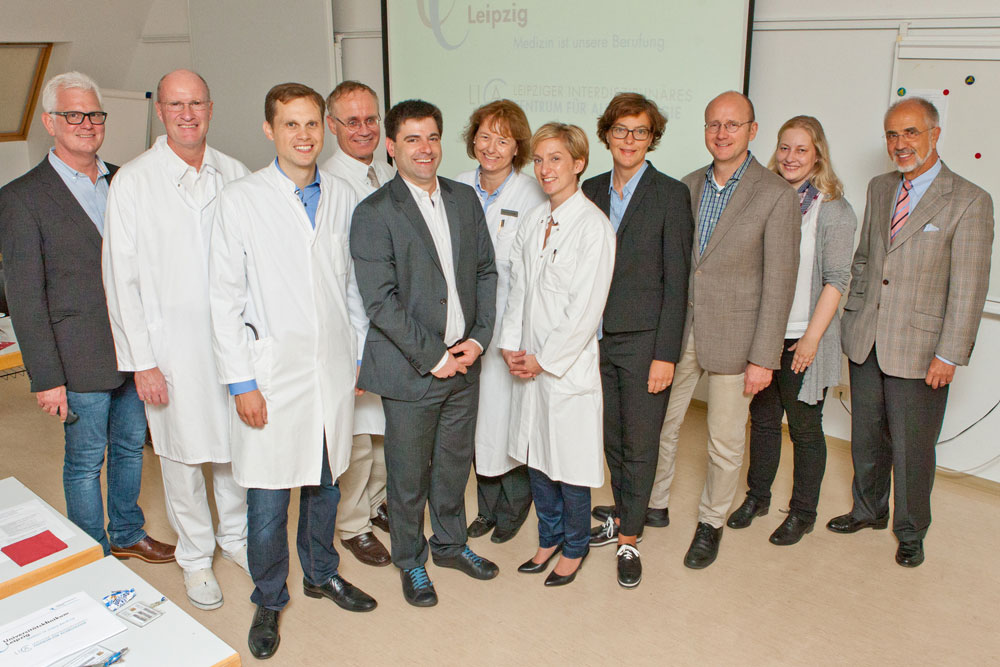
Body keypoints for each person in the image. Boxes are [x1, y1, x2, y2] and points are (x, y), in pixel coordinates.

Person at [209, 83, 376, 660]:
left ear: (323, 128)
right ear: (269, 130)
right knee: (268, 501)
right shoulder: (241, 200)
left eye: (311, 124)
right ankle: (268, 597)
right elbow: (223, 299)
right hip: (271, 375)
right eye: (290, 124)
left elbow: (350, 287)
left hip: (330, 370)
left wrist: (358, 353)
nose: (303, 136)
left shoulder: (342, 196)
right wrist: (242, 382)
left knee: (325, 483)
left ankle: (321, 573)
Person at [0, 72, 174, 564]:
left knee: (130, 448)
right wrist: (46, 378)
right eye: (73, 114)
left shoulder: (126, 180)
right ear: (49, 122)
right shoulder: (21, 198)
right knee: (84, 461)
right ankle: (91, 552)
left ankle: (127, 532)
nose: (86, 124)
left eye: (94, 114)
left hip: (135, 351)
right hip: (75, 357)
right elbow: (25, 297)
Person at [103, 69, 250, 611]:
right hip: (170, 351)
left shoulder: (235, 173)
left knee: (235, 449)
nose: (187, 114)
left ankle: (236, 538)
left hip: (230, 343)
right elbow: (121, 279)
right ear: (160, 111)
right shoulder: (134, 181)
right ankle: (195, 557)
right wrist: (142, 362)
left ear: (210, 108)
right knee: (182, 457)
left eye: (196, 103)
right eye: (176, 105)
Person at [831, 97, 993, 567]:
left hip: (921, 349)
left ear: (934, 135)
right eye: (892, 134)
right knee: (866, 437)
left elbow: (968, 288)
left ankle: (910, 530)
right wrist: (853, 315)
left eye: (911, 132)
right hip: (866, 339)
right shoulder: (881, 187)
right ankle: (868, 510)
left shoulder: (969, 199)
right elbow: (866, 259)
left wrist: (949, 354)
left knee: (912, 448)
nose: (900, 143)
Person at [350, 99, 499, 608]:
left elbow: (485, 272)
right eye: (412, 139)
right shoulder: (373, 213)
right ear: (391, 148)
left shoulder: (464, 198)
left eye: (432, 137)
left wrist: (477, 340)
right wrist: (436, 358)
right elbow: (380, 302)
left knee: (454, 467)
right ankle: (411, 560)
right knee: (408, 476)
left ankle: (451, 545)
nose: (425, 148)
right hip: (414, 369)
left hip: (466, 361)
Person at [648, 91, 801, 569]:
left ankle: (710, 523)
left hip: (739, 340)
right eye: (714, 123)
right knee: (661, 425)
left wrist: (764, 358)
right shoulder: (686, 185)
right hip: (680, 331)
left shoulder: (776, 194)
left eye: (732, 124)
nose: (721, 133)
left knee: (724, 442)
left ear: (752, 131)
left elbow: (780, 284)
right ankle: (652, 504)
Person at [727, 116, 857, 546]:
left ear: (817, 154)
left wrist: (811, 341)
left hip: (806, 337)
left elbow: (837, 280)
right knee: (763, 422)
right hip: (766, 334)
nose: (790, 157)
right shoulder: (766, 198)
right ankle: (757, 497)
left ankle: (802, 512)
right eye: (785, 147)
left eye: (801, 149)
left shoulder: (833, 209)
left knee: (804, 429)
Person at [581, 93, 693, 588]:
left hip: (646, 342)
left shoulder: (670, 195)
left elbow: (677, 282)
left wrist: (666, 355)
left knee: (641, 442)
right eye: (621, 130)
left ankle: (630, 538)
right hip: (594, 341)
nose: (629, 140)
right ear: (607, 135)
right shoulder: (589, 189)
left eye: (640, 131)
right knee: (611, 438)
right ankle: (623, 514)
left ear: (652, 139)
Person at [500, 122, 615, 587]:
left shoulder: (593, 227)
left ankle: (574, 546)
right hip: (528, 361)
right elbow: (518, 289)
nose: (545, 169)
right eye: (539, 160)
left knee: (569, 465)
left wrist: (543, 360)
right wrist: (511, 345)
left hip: (564, 369)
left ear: (579, 164)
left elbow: (585, 310)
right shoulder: (533, 221)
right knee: (537, 457)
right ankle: (548, 538)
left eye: (556, 159)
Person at [456, 99, 545, 544]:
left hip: (511, 327)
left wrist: (516, 336)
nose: (492, 147)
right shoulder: (454, 187)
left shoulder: (532, 195)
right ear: (473, 138)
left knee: (507, 419)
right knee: (474, 420)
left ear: (517, 148)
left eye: (503, 140)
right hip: (464, 327)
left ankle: (514, 504)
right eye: (485, 136)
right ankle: (487, 507)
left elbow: (532, 274)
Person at [319, 80, 394, 566]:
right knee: (357, 437)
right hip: (354, 329)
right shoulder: (328, 183)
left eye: (371, 119)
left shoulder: (387, 172)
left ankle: (377, 502)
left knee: (386, 433)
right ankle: (352, 523)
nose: (364, 129)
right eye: (352, 121)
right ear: (332, 126)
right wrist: (360, 345)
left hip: (392, 326)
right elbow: (339, 275)